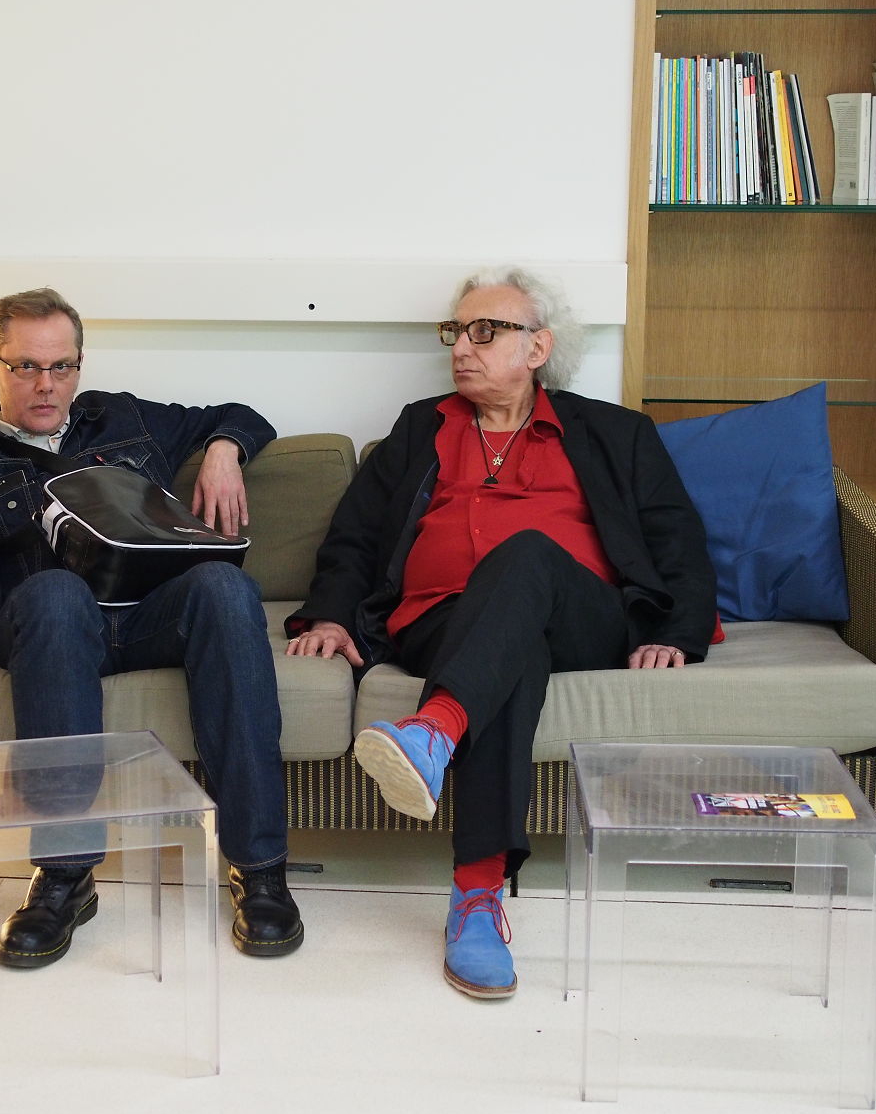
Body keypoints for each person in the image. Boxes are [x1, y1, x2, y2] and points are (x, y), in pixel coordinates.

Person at [286, 266, 715, 998]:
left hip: (580, 614)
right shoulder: (422, 427)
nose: (462, 348)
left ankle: (435, 730)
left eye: (486, 332)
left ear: (537, 347)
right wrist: (330, 614)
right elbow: (355, 534)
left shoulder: (614, 433)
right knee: (514, 654)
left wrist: (675, 631)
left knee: (525, 555)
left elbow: (679, 540)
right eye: (456, 331)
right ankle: (477, 899)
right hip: (439, 620)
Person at [0, 287, 303, 965]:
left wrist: (225, 448)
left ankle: (260, 871)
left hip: (146, 619)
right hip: (49, 625)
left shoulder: (123, 418)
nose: (46, 385)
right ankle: (65, 877)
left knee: (225, 584)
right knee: (56, 592)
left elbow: (240, 415)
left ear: (79, 365)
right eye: (25, 366)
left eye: (62, 367)